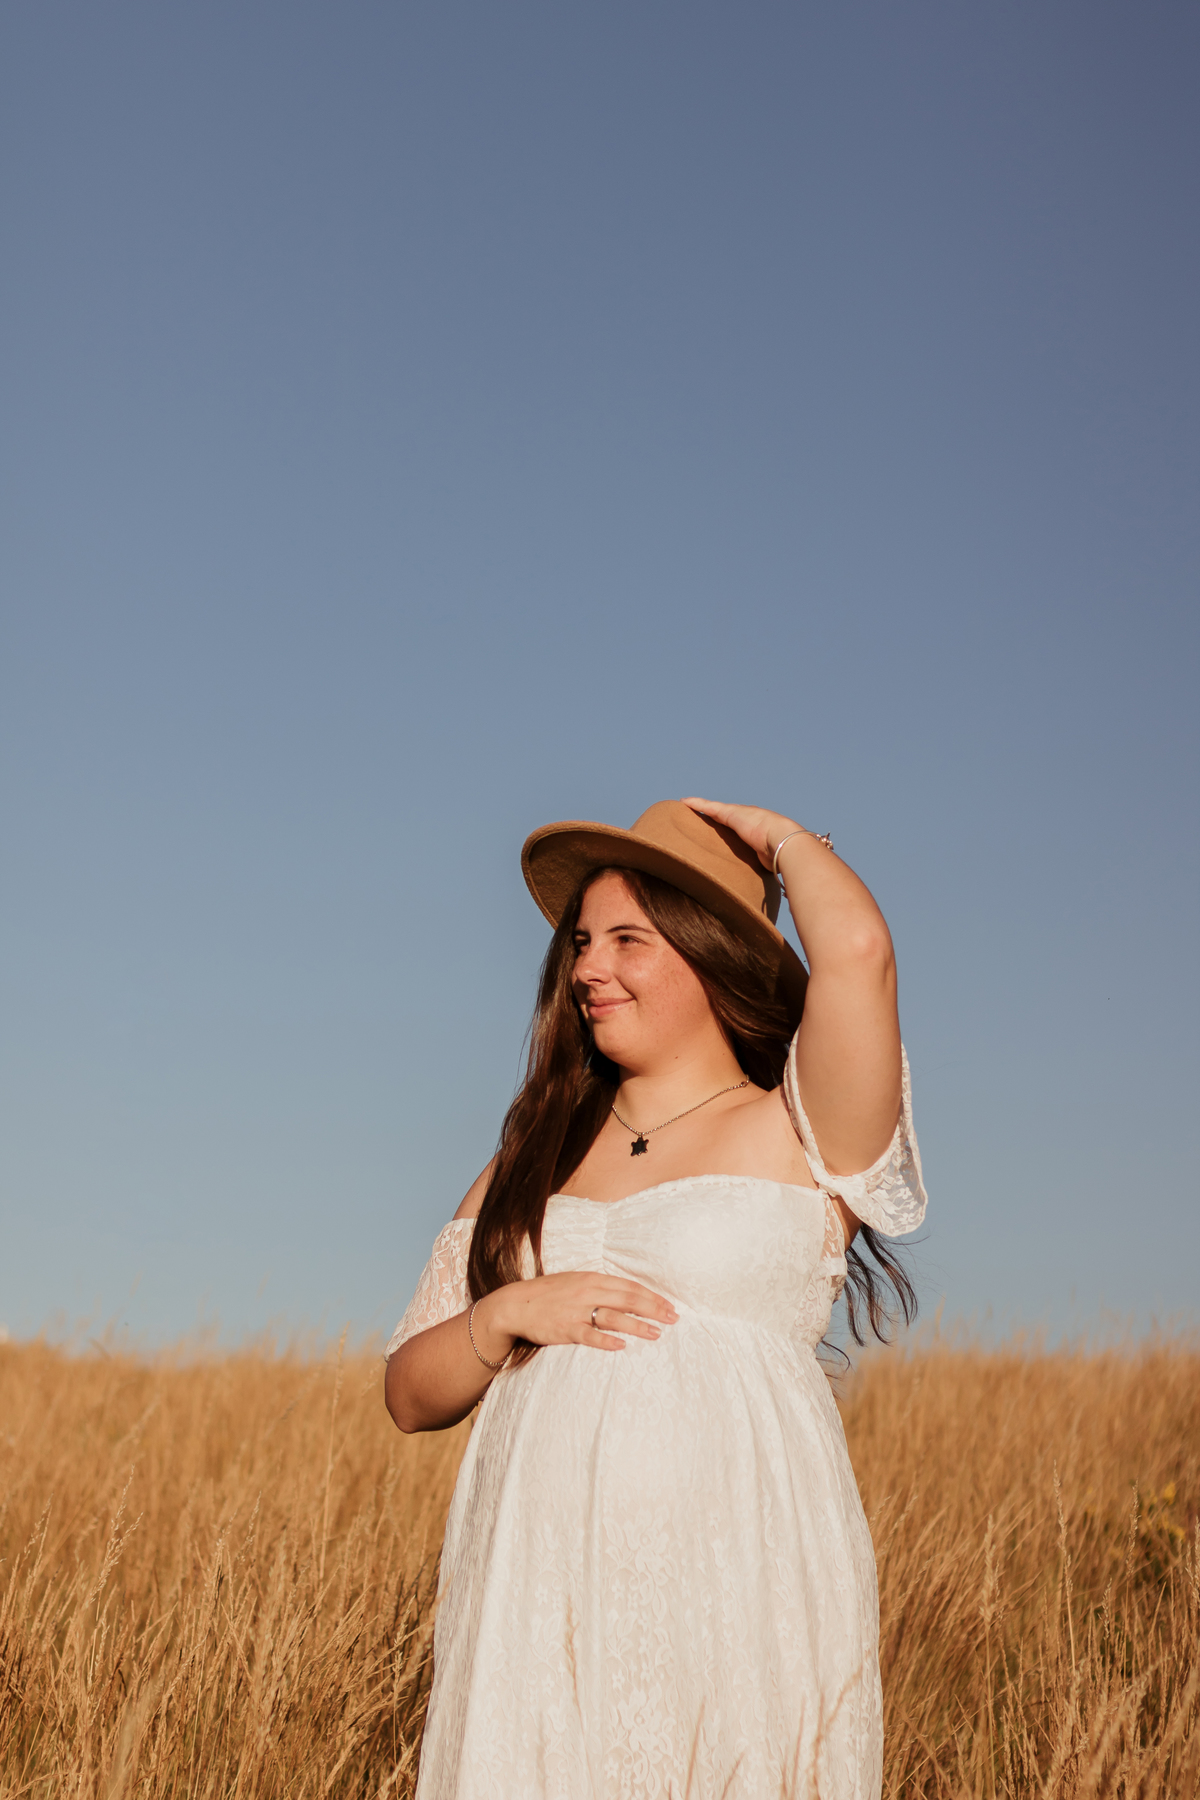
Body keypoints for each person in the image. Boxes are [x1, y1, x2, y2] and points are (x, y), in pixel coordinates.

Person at [384, 798, 926, 1800]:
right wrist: (504, 1316)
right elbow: (411, 1391)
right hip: (539, 1598)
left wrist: (782, 842)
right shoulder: (529, 1157)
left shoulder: (802, 1133)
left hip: (733, 1580)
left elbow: (858, 954)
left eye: (630, 939)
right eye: (581, 942)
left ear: (710, 951)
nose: (590, 967)